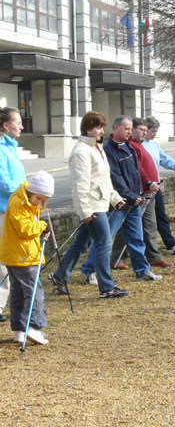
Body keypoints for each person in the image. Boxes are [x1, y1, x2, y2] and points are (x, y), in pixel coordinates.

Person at [48, 111, 129, 299]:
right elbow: (80, 185)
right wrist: (84, 211)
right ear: (88, 128)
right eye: (98, 127)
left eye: (102, 126)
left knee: (81, 243)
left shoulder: (96, 148)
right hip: (92, 206)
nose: (102, 131)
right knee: (104, 243)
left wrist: (115, 198)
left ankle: (60, 276)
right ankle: (106, 287)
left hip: (99, 203)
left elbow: (103, 179)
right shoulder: (81, 151)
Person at [103, 115, 163, 281]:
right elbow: (115, 177)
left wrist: (147, 184)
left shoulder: (129, 146)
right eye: (126, 129)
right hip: (119, 202)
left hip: (135, 201)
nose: (129, 132)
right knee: (106, 238)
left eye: (130, 129)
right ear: (116, 128)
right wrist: (130, 196)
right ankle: (90, 270)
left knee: (137, 238)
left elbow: (137, 171)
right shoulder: (109, 150)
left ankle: (142, 270)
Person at [0, 171, 54, 345]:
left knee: (19, 292)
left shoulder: (24, 200)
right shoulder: (20, 202)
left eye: (43, 200)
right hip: (23, 256)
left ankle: (20, 330)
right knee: (34, 291)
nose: (39, 203)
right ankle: (34, 327)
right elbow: (24, 229)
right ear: (31, 191)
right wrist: (42, 225)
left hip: (17, 255)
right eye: (38, 198)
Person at [143, 116, 175, 254]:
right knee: (141, 220)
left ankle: (171, 244)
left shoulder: (154, 145)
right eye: (153, 131)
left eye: (156, 131)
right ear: (146, 129)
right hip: (143, 187)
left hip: (155, 186)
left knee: (161, 216)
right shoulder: (139, 145)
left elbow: (165, 160)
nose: (155, 134)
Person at [0, 107, 26, 323]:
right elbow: (4, 182)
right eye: (18, 122)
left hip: (14, 210)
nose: (22, 126)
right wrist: (26, 192)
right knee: (2, 260)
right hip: (3, 211)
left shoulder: (11, 147)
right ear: (6, 125)